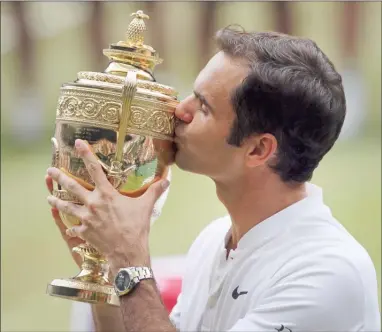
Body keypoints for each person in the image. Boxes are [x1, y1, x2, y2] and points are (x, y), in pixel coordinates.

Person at [45, 26, 380, 331]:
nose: (180, 110)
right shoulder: (213, 242)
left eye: (203, 107)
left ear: (258, 149)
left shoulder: (326, 274)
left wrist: (129, 258)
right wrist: (104, 267)